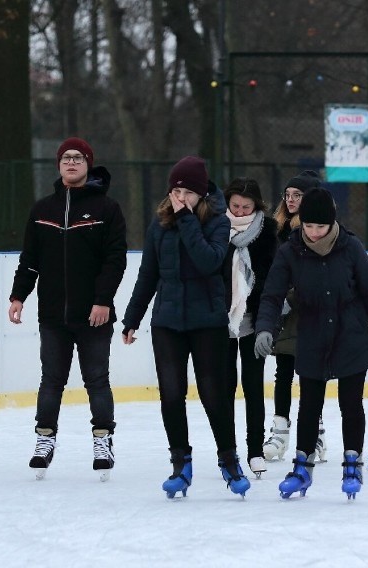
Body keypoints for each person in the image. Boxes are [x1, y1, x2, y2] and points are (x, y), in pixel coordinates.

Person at [122, 156, 251, 498]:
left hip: (207, 321)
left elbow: (209, 262)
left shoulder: (218, 223)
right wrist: (132, 318)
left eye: (187, 192)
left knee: (213, 394)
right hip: (167, 322)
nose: (180, 198)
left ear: (201, 194)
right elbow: (148, 274)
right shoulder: (159, 223)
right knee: (171, 393)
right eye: (176, 191)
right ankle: (181, 463)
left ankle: (229, 459)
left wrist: (187, 220)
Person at [254, 188, 368, 499]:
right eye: (308, 226)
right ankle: (302, 467)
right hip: (313, 334)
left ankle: (352, 463)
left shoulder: (351, 247)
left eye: (320, 227)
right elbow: (272, 294)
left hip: (352, 334)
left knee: (350, 404)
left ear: (332, 224)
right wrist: (265, 327)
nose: (314, 233)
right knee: (309, 405)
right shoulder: (291, 250)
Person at [9, 137, 127, 480]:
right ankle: (44, 439)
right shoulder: (42, 209)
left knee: (97, 380)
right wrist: (18, 296)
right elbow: (30, 260)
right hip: (53, 315)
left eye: (78, 158)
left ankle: (103, 440)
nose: (71, 162)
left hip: (94, 314)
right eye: (66, 158)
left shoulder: (107, 209)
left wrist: (103, 300)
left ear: (89, 164)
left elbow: (114, 261)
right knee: (51, 381)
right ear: (59, 165)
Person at [263, 170, 329, 463]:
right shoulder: (276, 229)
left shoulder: (319, 232)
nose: (290, 200)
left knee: (311, 374)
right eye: (287, 195)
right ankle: (279, 431)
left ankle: (315, 430)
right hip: (283, 313)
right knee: (283, 371)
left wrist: (290, 299)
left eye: (297, 195)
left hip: (311, 311)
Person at [221, 177, 278, 478]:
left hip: (253, 319)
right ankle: (227, 450)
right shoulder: (216, 227)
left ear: (257, 206)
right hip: (221, 320)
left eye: (247, 207)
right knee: (224, 387)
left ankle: (255, 450)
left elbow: (271, 276)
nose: (241, 211)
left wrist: (267, 316)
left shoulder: (268, 232)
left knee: (253, 386)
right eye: (236, 206)